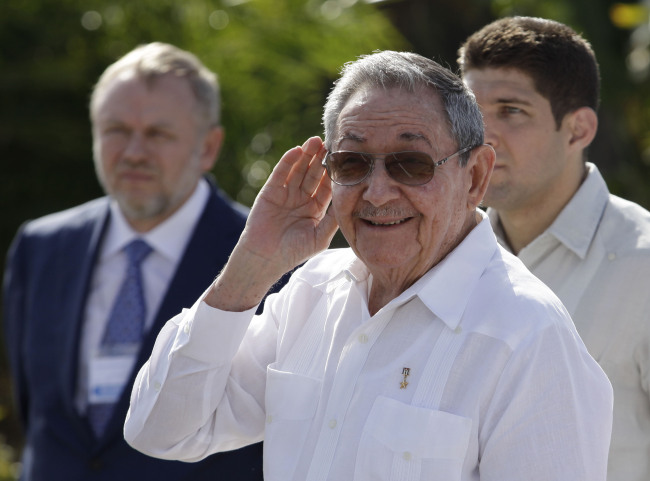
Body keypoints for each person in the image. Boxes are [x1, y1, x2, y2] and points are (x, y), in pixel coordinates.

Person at [124, 50, 613, 480]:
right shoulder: (313, 291)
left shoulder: (526, 335)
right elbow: (162, 432)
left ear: (476, 176)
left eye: (411, 164)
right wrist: (250, 267)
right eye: (352, 164)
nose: (377, 192)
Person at [2, 42, 266, 480]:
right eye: (116, 130)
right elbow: (36, 414)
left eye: (158, 134)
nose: (134, 152)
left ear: (208, 147)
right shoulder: (42, 247)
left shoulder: (272, 258)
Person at [458, 16, 650, 481]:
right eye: (468, 111)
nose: (481, 135)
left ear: (578, 131)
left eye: (511, 110)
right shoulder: (445, 261)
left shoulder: (643, 267)